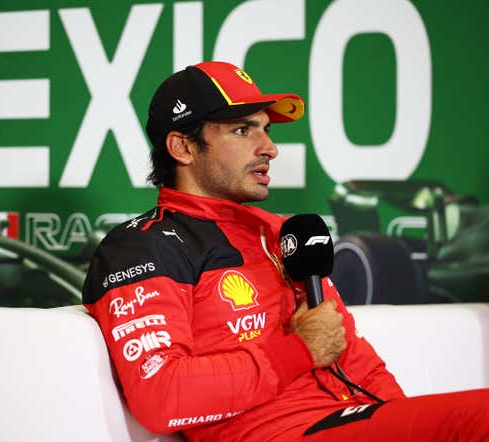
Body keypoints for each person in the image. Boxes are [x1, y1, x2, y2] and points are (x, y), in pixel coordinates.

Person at [82, 61, 488, 441]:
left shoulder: (283, 234)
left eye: (267, 130)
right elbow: (161, 397)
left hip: (354, 419)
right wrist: (299, 350)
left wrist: (409, 423)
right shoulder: (141, 246)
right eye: (243, 130)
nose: (269, 148)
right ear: (183, 148)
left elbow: (357, 359)